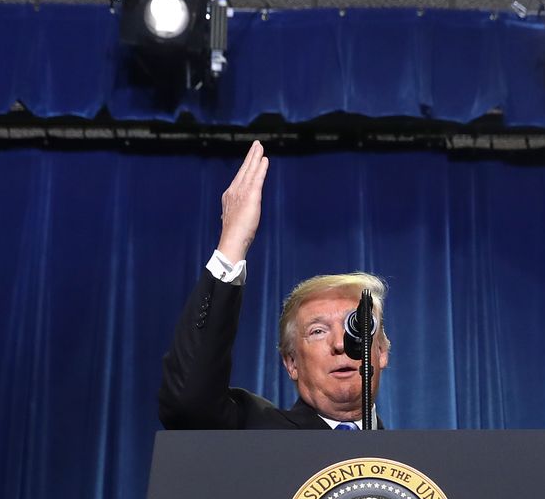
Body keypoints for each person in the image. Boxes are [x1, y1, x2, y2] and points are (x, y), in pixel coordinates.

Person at [158, 141, 393, 431]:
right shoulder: (257, 432)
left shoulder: (423, 463)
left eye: (356, 327)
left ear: (382, 352)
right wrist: (233, 242)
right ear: (291, 362)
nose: (339, 345)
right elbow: (187, 402)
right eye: (318, 331)